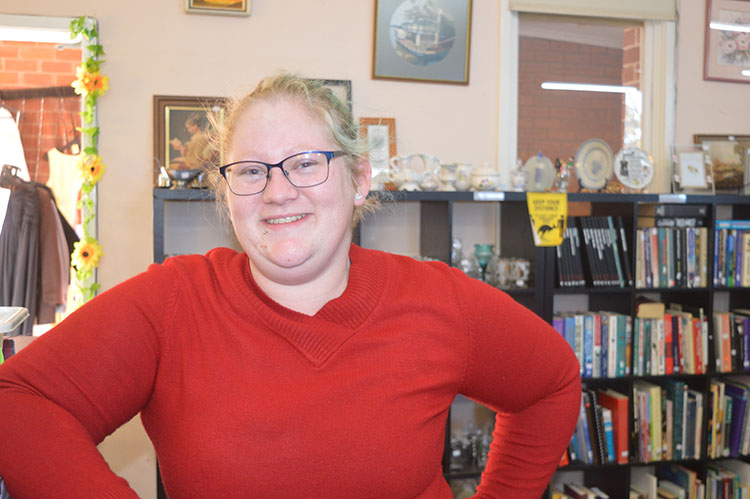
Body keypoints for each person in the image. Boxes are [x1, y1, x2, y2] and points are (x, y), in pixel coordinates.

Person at [0, 73, 581, 498]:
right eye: (251, 170)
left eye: (306, 163)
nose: (278, 192)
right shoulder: (174, 302)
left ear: (358, 179)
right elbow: (19, 400)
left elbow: (551, 383)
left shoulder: (438, 300)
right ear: (227, 194)